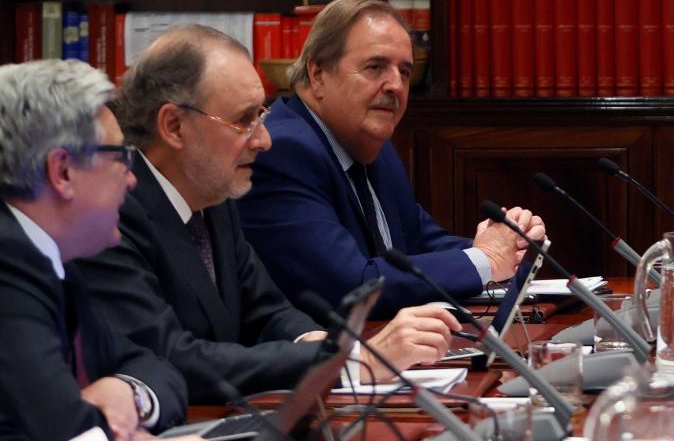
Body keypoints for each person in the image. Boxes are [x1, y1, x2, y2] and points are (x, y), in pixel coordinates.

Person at [78, 26, 458, 403]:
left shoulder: (214, 191)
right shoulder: (111, 215)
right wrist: (344, 361)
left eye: (262, 114)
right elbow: (175, 357)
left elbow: (268, 311)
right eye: (245, 120)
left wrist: (329, 346)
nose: (264, 139)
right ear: (174, 126)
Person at [0, 60, 235, 441]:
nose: (132, 178)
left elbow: (156, 367)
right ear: (63, 172)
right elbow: (67, 434)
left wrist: (130, 393)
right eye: (120, 156)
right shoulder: (9, 261)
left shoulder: (50, 256)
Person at [238, 0, 545, 316]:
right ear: (318, 74)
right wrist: (485, 259)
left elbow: (418, 244)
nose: (397, 85)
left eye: (405, 71)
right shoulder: (282, 152)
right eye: (375, 67)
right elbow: (350, 286)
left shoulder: (373, 146)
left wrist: (508, 244)